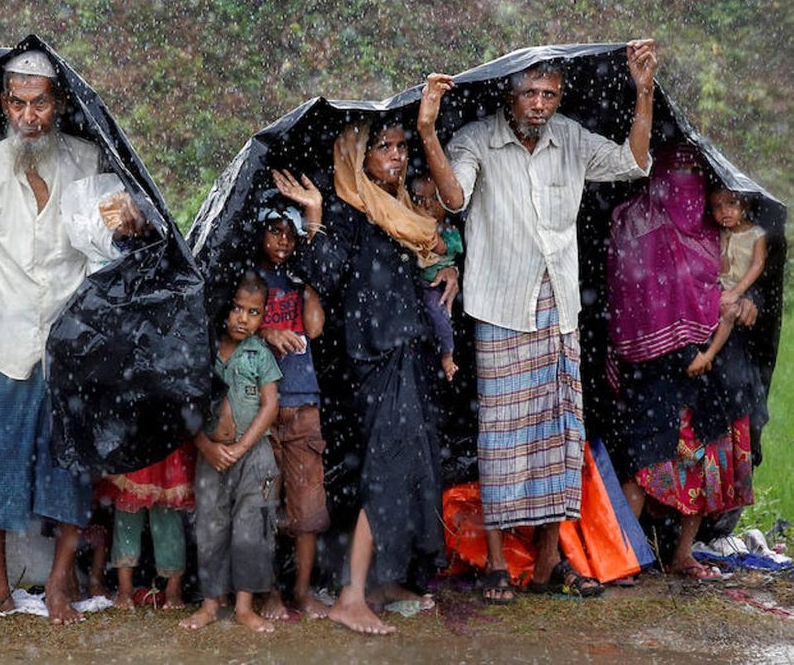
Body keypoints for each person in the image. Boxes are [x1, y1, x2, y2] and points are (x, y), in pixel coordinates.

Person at [416, 40, 658, 603]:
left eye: (549, 93)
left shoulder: (569, 137)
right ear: (509, 93)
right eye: (530, 92)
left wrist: (642, 90)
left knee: (558, 437)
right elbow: (453, 198)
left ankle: (550, 562)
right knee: (503, 439)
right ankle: (499, 563)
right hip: (502, 308)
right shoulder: (477, 138)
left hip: (559, 309)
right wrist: (428, 132)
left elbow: (633, 162)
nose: (540, 104)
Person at [0, 50, 142, 627]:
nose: (29, 115)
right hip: (7, 342)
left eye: (39, 102)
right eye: (18, 102)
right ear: (5, 104)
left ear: (57, 104)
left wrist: (128, 224)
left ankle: (59, 585)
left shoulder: (87, 163)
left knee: (68, 470)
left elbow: (113, 248)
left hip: (69, 347)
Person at [274, 116, 457, 634]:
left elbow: (431, 255)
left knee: (410, 468)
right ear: (359, 157)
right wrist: (313, 218)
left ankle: (379, 581)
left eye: (401, 147)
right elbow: (326, 277)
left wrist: (450, 269)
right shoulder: (346, 211)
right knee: (388, 469)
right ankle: (351, 595)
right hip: (375, 359)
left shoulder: (398, 211)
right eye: (384, 148)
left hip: (409, 352)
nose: (396, 157)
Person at [607, 143, 755, 580]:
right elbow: (626, 296)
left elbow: (735, 280)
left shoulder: (715, 231)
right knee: (644, 459)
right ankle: (626, 556)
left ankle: (682, 554)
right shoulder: (633, 222)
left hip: (706, 363)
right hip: (650, 366)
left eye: (695, 173)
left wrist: (742, 304)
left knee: (702, 458)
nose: (685, 184)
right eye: (678, 171)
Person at [180, 271, 282, 634]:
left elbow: (271, 405)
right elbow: (185, 408)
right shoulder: (202, 351)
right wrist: (206, 446)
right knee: (210, 527)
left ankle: (243, 606)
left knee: (251, 528)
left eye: (254, 312)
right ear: (224, 307)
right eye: (237, 308)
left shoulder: (260, 354)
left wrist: (240, 447)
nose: (243, 318)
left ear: (263, 315)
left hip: (254, 457)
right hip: (210, 457)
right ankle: (210, 605)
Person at [251, 195, 331, 621]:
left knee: (308, 506)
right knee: (263, 505)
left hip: (302, 401)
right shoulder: (250, 278)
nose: (283, 241)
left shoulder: (300, 281)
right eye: (275, 231)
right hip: (262, 405)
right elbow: (235, 325)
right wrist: (267, 331)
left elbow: (314, 328)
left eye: (290, 234)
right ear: (260, 232)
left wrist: (309, 281)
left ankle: (301, 591)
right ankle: (269, 593)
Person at [101, 440, 195, 610]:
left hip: (164, 439)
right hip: (134, 439)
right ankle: (125, 589)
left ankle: (173, 589)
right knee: (127, 512)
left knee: (167, 515)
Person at [685, 188, 768, 378]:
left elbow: (757, 265)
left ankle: (709, 354)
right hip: (716, 287)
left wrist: (737, 292)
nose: (724, 211)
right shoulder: (717, 233)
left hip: (738, 288)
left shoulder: (756, 234)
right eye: (717, 206)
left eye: (731, 203)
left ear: (744, 205)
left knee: (729, 311)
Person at [410, 175, 463, 382]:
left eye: (434, 198)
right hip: (415, 289)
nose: (427, 205)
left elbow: (440, 247)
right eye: (419, 199)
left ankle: (448, 354)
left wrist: (422, 229)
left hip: (434, 286)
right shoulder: (406, 225)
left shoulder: (448, 230)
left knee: (438, 313)